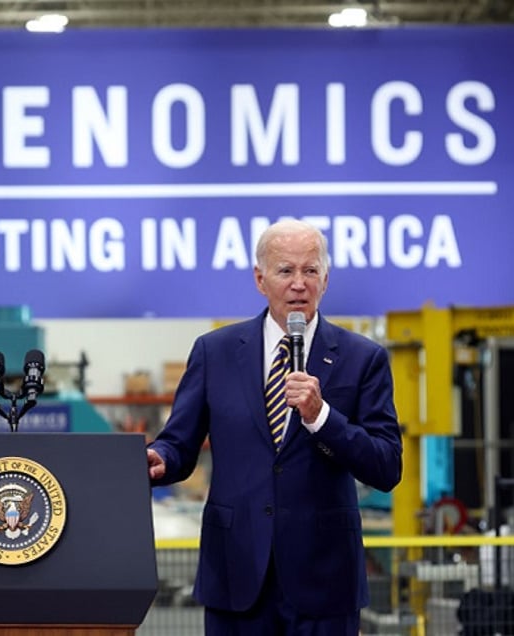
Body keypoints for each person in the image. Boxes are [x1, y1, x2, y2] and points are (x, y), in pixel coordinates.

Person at [146, 219, 403, 635]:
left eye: (310, 271)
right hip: (237, 572)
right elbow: (179, 443)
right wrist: (161, 458)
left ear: (326, 278)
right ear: (260, 279)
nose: (299, 284)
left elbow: (386, 466)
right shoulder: (216, 352)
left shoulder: (363, 358)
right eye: (286, 271)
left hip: (325, 581)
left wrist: (322, 417)